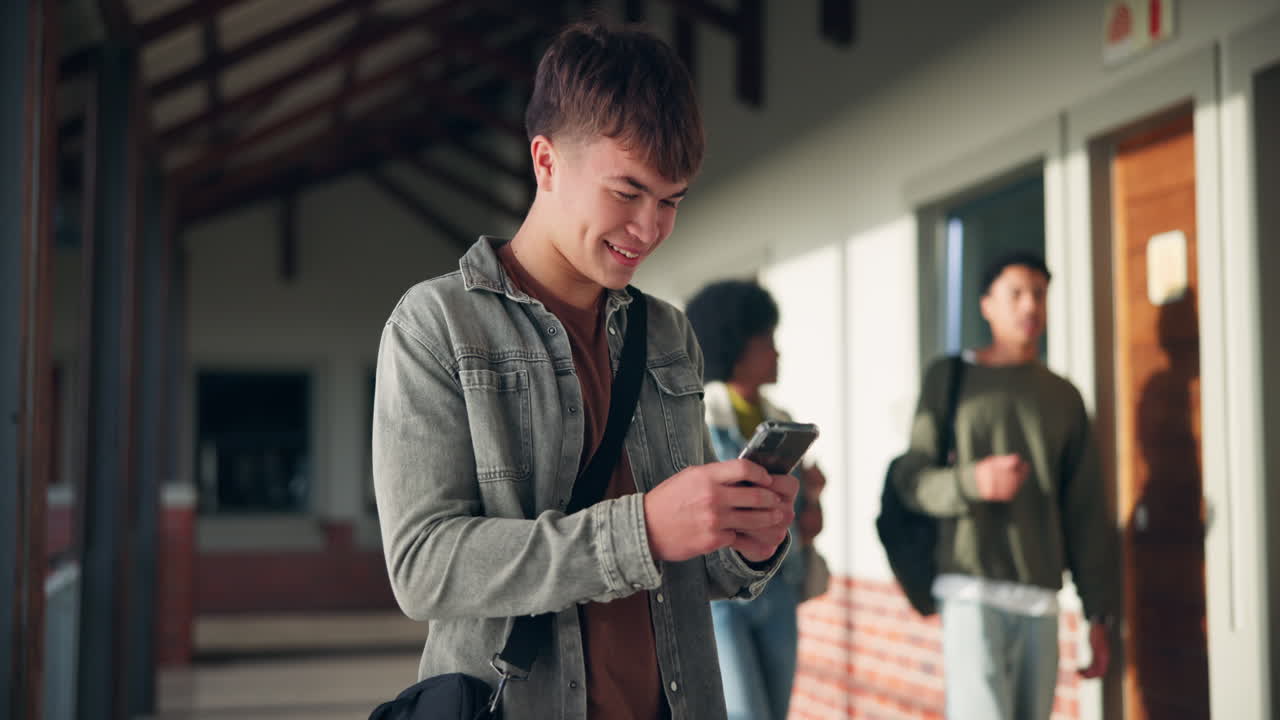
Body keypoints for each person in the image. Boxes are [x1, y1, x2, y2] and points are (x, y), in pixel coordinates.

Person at [371, 20, 797, 720]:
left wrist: (749, 541)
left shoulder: (667, 334)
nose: (650, 228)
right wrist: (643, 531)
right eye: (627, 193)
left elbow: (688, 571)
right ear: (545, 162)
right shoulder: (437, 325)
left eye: (671, 201)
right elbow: (423, 566)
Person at [890, 252, 1117, 719]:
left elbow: (1086, 510)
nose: (1029, 305)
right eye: (1015, 293)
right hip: (969, 588)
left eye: (1039, 293)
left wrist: (1099, 611)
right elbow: (911, 483)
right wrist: (974, 481)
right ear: (986, 305)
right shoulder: (948, 378)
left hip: (1040, 598)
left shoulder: (1063, 396)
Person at [686, 279, 827, 720]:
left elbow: (803, 522)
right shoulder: (700, 417)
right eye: (767, 341)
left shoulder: (781, 420)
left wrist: (814, 498)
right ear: (737, 346)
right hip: (723, 598)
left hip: (781, 588)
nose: (777, 352)